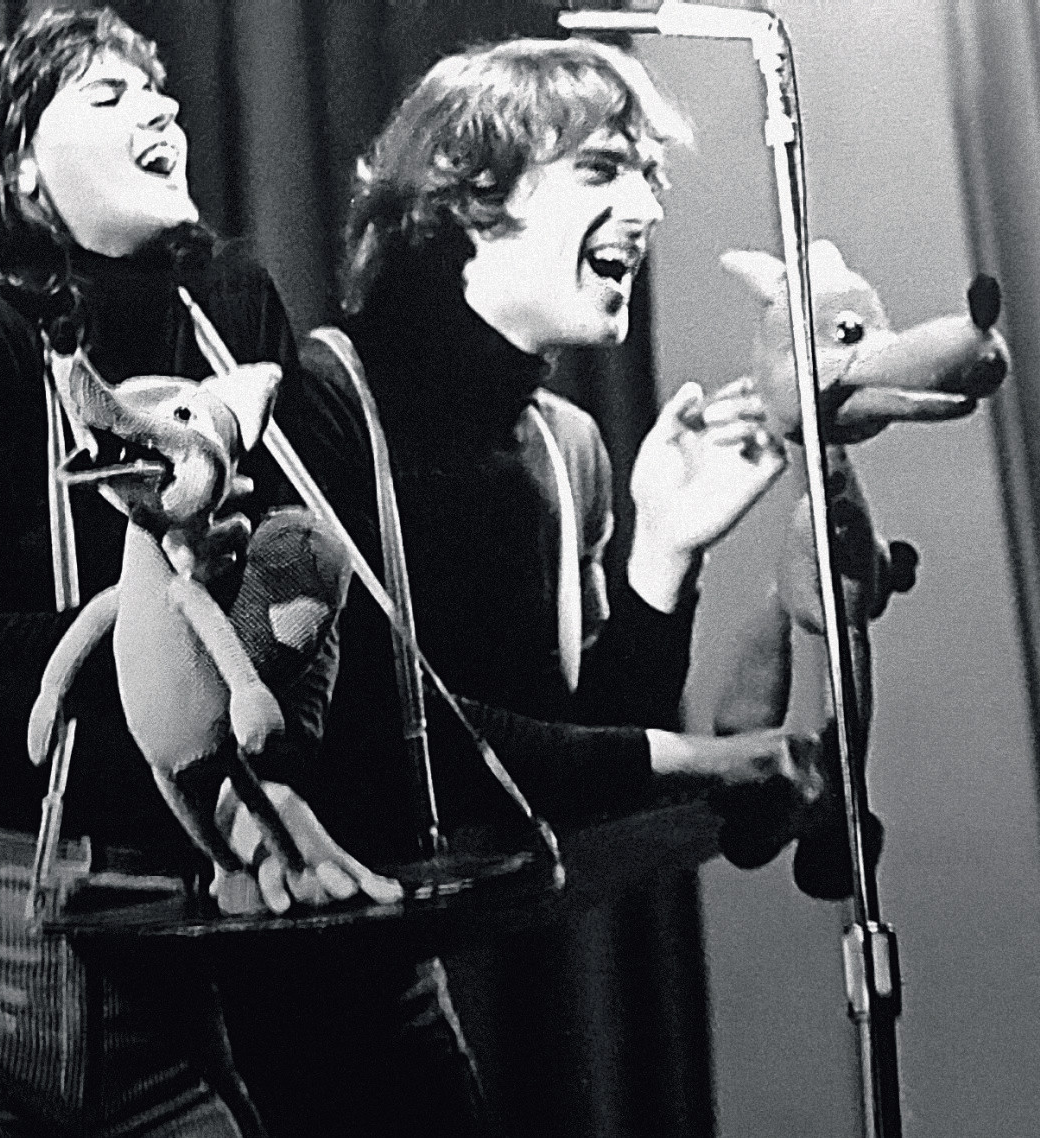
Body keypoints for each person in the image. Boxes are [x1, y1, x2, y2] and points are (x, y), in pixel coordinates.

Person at [0, 9, 396, 1136]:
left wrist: (257, 786)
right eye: (108, 96)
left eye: (157, 93)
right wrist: (146, 651)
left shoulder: (230, 336)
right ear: (20, 173)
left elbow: (281, 618)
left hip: (155, 956)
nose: (160, 108)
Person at [216, 36, 827, 1138]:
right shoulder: (319, 399)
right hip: (235, 1003)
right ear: (469, 195)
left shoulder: (567, 446)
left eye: (648, 175)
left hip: (384, 979)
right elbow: (379, 730)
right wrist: (694, 761)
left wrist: (664, 552)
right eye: (602, 170)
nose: (645, 206)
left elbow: (578, 761)